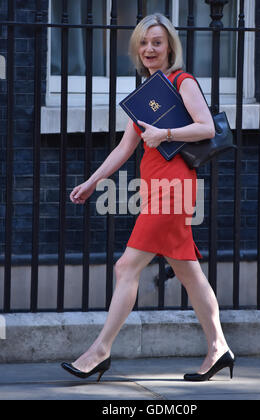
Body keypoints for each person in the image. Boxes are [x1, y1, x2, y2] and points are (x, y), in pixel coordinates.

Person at [61, 13, 234, 383]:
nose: (149, 49)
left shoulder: (181, 81)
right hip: (155, 188)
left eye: (157, 42)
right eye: (143, 42)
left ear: (170, 45)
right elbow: (125, 147)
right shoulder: (148, 92)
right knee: (188, 272)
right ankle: (219, 346)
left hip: (173, 189)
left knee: (126, 266)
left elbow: (206, 126)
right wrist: (93, 180)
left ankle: (99, 351)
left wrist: (165, 132)